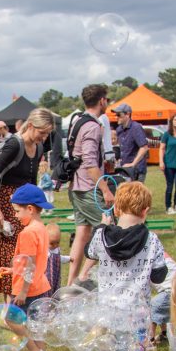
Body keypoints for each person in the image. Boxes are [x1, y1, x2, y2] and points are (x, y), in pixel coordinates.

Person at [87, 181, 168, 351]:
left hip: (108, 310)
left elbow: (89, 253)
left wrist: (102, 226)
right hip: (136, 312)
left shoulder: (101, 236)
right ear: (145, 211)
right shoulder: (151, 240)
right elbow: (159, 275)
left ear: (117, 210)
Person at [0, 108, 53, 297]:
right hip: (8, 204)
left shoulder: (38, 148)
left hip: (27, 205)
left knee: (28, 252)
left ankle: (26, 295)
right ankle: (10, 304)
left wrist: (36, 209)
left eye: (47, 134)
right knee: (12, 254)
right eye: (42, 133)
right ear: (31, 126)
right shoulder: (14, 144)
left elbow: (33, 180)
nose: (44, 138)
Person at [65, 84, 115, 286]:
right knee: (108, 230)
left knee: (82, 234)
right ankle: (83, 277)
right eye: (107, 100)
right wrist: (105, 189)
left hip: (75, 186)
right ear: (102, 100)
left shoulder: (77, 120)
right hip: (88, 189)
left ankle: (70, 284)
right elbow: (90, 162)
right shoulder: (92, 126)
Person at [3, 184, 54, 351]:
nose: (15, 216)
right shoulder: (41, 228)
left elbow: (30, 263)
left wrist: (23, 290)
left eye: (17, 211)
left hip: (28, 288)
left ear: (30, 209)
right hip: (40, 284)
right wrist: (13, 269)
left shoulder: (27, 233)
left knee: (11, 319)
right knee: (36, 325)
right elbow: (31, 261)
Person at [113, 103, 149, 183]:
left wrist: (133, 163)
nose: (116, 117)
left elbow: (144, 147)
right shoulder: (119, 129)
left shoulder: (136, 127)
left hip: (137, 171)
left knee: (136, 195)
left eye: (119, 115)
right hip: (125, 170)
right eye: (116, 115)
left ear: (128, 114)